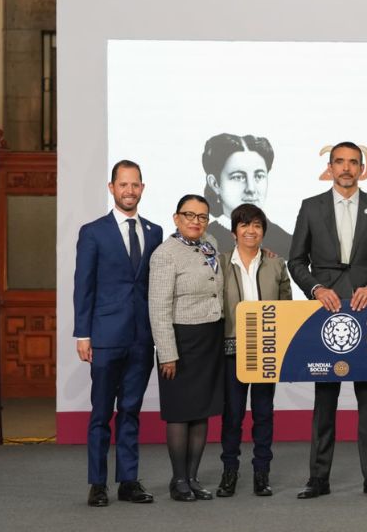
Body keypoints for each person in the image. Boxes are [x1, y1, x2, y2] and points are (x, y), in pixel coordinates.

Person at [288, 141, 367, 499]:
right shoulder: (311, 207)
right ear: (330, 167)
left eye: (353, 162)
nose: (347, 168)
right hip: (326, 312)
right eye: (340, 162)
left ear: (362, 168)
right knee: (325, 400)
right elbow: (296, 261)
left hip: (366, 311)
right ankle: (318, 478)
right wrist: (316, 288)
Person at [73, 159, 163, 507]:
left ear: (143, 188)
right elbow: (84, 286)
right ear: (112, 188)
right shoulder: (93, 232)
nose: (129, 190)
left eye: (135, 184)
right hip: (105, 337)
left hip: (142, 337)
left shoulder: (154, 232)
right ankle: (98, 484)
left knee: (130, 411)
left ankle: (128, 481)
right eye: (123, 184)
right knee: (101, 414)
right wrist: (83, 334)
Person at [148, 194, 224, 502]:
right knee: (180, 413)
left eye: (202, 216)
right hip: (181, 341)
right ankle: (178, 480)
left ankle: (193, 477)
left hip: (210, 338)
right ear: (176, 218)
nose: (196, 221)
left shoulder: (210, 245)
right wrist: (167, 353)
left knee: (201, 411)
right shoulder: (165, 254)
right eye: (189, 215)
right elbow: (158, 308)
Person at [216, 203, 292, 498]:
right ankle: (229, 472)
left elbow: (285, 308)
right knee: (232, 415)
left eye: (257, 225)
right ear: (234, 231)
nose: (251, 230)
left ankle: (262, 473)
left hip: (265, 350)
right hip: (231, 351)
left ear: (263, 232)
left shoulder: (276, 264)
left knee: (263, 414)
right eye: (244, 224)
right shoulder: (220, 264)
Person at [202, 133, 292, 258]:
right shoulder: (201, 243)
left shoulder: (288, 243)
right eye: (238, 177)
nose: (251, 188)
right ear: (215, 183)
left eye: (259, 176)